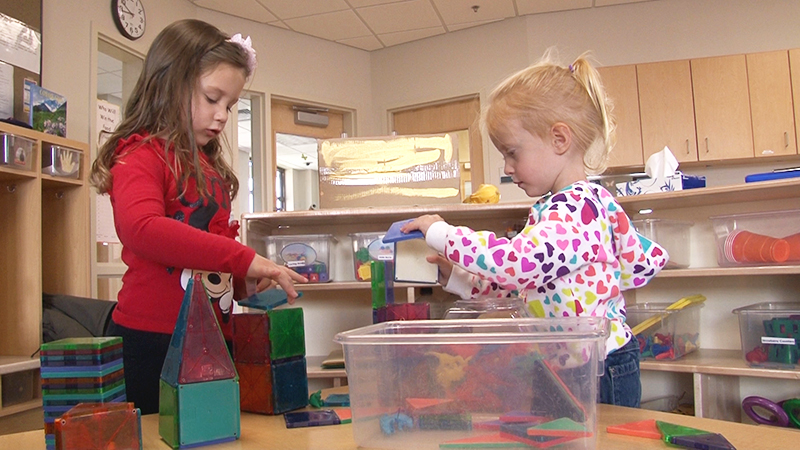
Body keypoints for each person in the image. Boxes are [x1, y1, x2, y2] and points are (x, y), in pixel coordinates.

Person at [401, 50, 669, 408]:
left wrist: (444, 234)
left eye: (513, 153)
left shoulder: (577, 210)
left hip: (599, 367)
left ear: (560, 139)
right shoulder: (556, 210)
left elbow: (519, 265)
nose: (508, 167)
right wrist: (462, 278)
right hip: (563, 363)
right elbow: (524, 282)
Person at [90, 19, 307, 414]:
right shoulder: (140, 154)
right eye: (212, 98)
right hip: (153, 340)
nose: (222, 116)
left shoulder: (209, 169)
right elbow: (144, 230)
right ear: (169, 84)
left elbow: (210, 250)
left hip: (212, 336)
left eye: (230, 105)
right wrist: (245, 259)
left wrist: (243, 284)